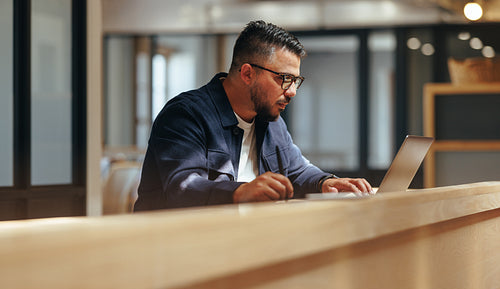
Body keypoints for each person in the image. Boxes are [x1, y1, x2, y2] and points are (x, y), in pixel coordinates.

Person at [134, 20, 372, 211]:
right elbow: (182, 188)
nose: (292, 91)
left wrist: (326, 182)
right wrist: (239, 192)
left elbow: (297, 170)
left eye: (296, 80)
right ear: (247, 73)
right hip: (177, 251)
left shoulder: (270, 121)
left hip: (243, 243)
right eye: (284, 79)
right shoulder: (185, 115)